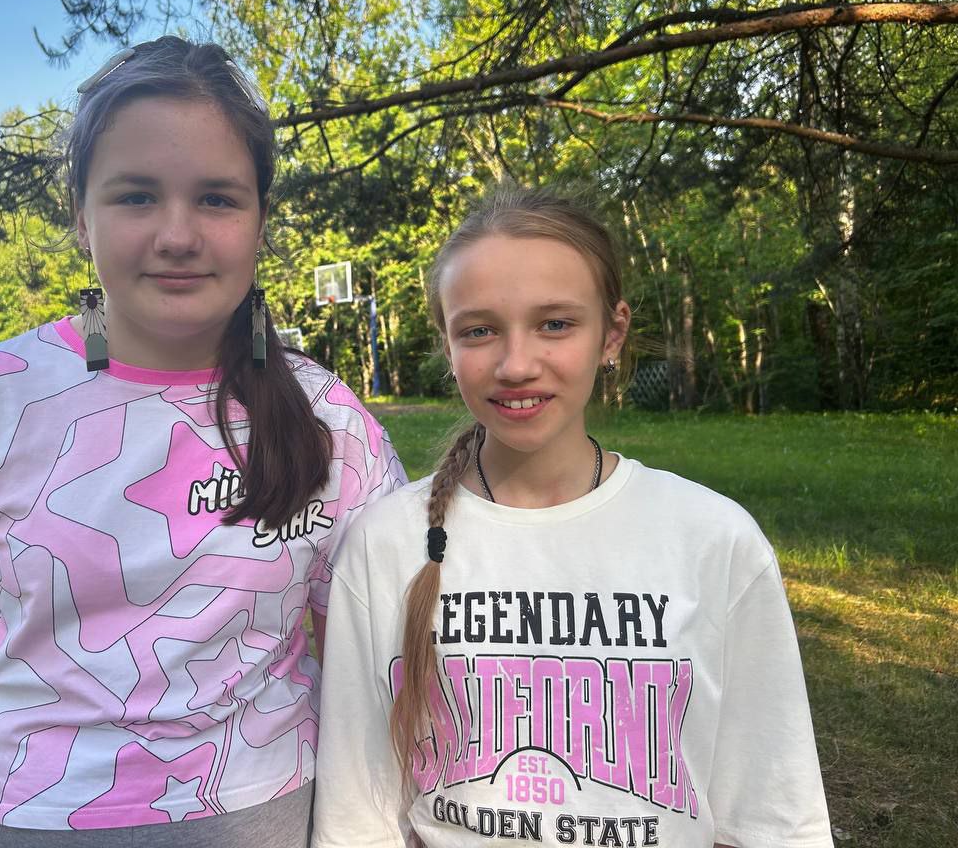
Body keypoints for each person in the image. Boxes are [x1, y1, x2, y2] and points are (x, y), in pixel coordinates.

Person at [0, 36, 406, 848]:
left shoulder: (329, 418)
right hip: (14, 820)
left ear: (260, 221)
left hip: (261, 816)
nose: (178, 234)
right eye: (137, 196)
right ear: (82, 218)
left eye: (217, 199)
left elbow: (369, 663)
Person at [312, 187, 832, 848]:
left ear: (611, 334)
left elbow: (773, 817)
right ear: (447, 345)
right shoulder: (385, 544)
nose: (516, 365)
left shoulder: (715, 541)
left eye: (555, 324)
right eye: (479, 330)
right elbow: (357, 821)